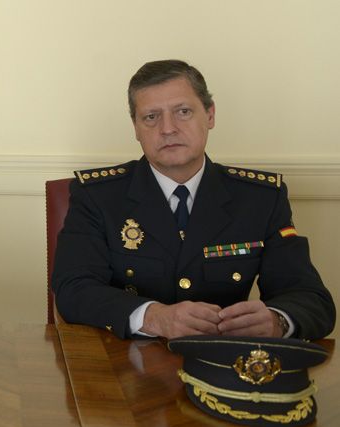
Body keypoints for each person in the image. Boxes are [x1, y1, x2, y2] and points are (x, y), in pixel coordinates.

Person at [53, 60, 334, 339]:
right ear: (136, 127)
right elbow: (73, 288)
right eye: (151, 117)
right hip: (125, 368)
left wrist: (277, 321)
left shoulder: (260, 198)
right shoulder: (97, 195)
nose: (167, 128)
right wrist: (153, 317)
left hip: (225, 367)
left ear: (210, 115)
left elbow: (310, 297)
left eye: (183, 112)